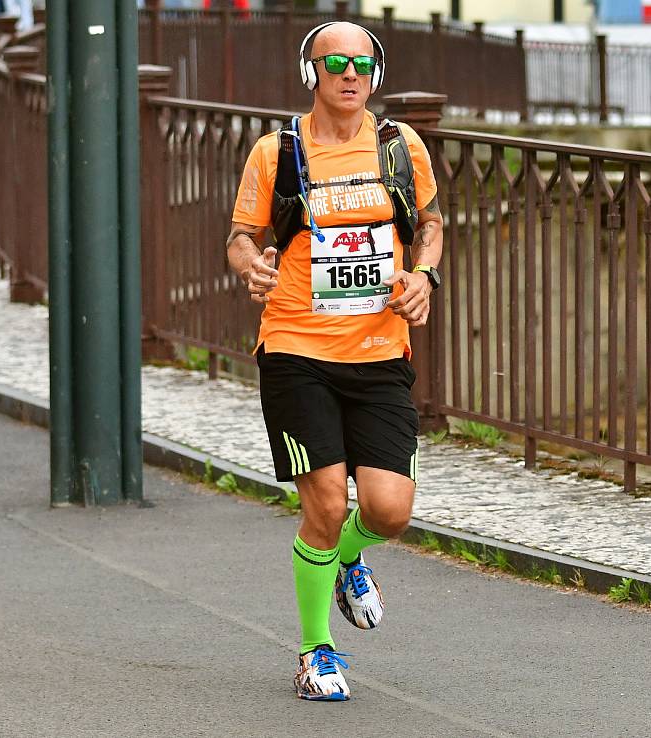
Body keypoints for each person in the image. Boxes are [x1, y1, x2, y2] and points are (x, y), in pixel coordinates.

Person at [227, 21, 443, 701]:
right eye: (335, 63)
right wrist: (250, 267)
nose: (349, 75)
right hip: (296, 349)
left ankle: (351, 556)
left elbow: (431, 224)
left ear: (374, 75)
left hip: (380, 352)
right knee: (322, 503)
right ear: (310, 73)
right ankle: (316, 651)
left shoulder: (400, 146)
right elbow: (241, 235)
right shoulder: (276, 151)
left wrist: (425, 277)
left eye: (361, 63)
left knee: (389, 511)